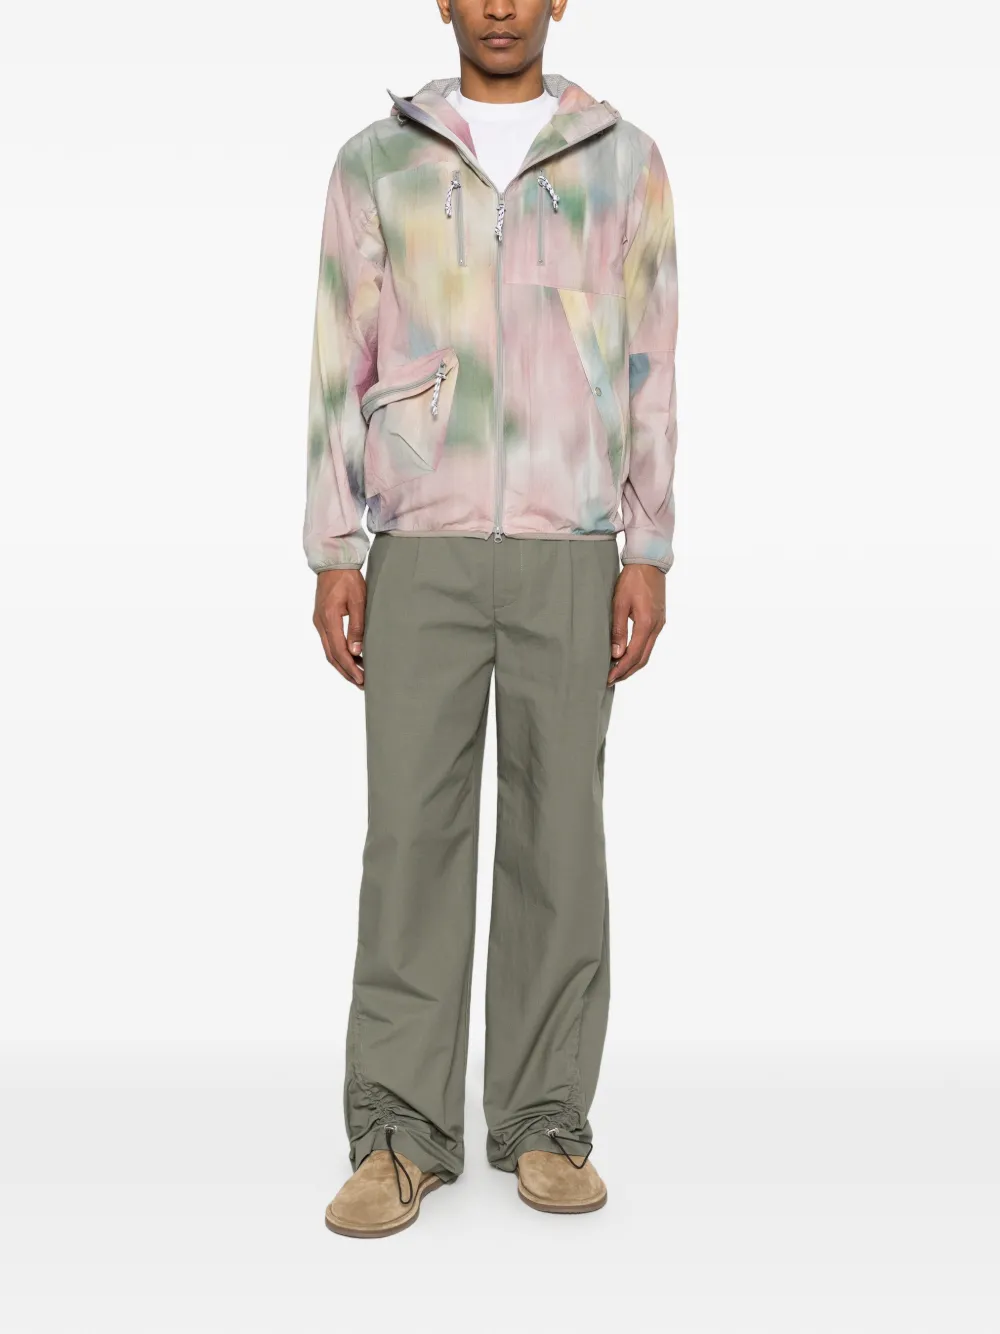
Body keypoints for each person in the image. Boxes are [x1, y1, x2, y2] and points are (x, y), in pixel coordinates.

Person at [305, 0, 678, 1238]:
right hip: (420, 543)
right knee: (410, 838)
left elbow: (650, 362)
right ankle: (397, 1132)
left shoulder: (622, 161)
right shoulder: (378, 161)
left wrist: (648, 543)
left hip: (571, 546)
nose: (503, 4)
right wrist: (335, 545)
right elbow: (340, 357)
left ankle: (545, 1120)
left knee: (559, 838)